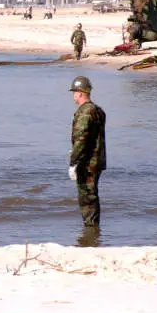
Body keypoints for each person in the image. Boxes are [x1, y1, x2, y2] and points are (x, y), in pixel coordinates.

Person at [68, 76, 106, 228]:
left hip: (87, 162)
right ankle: (93, 230)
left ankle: (91, 232)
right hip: (96, 160)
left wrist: (73, 162)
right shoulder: (98, 110)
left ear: (79, 93)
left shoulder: (84, 112)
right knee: (92, 197)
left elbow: (81, 139)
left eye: (74, 92)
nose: (73, 95)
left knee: (87, 199)